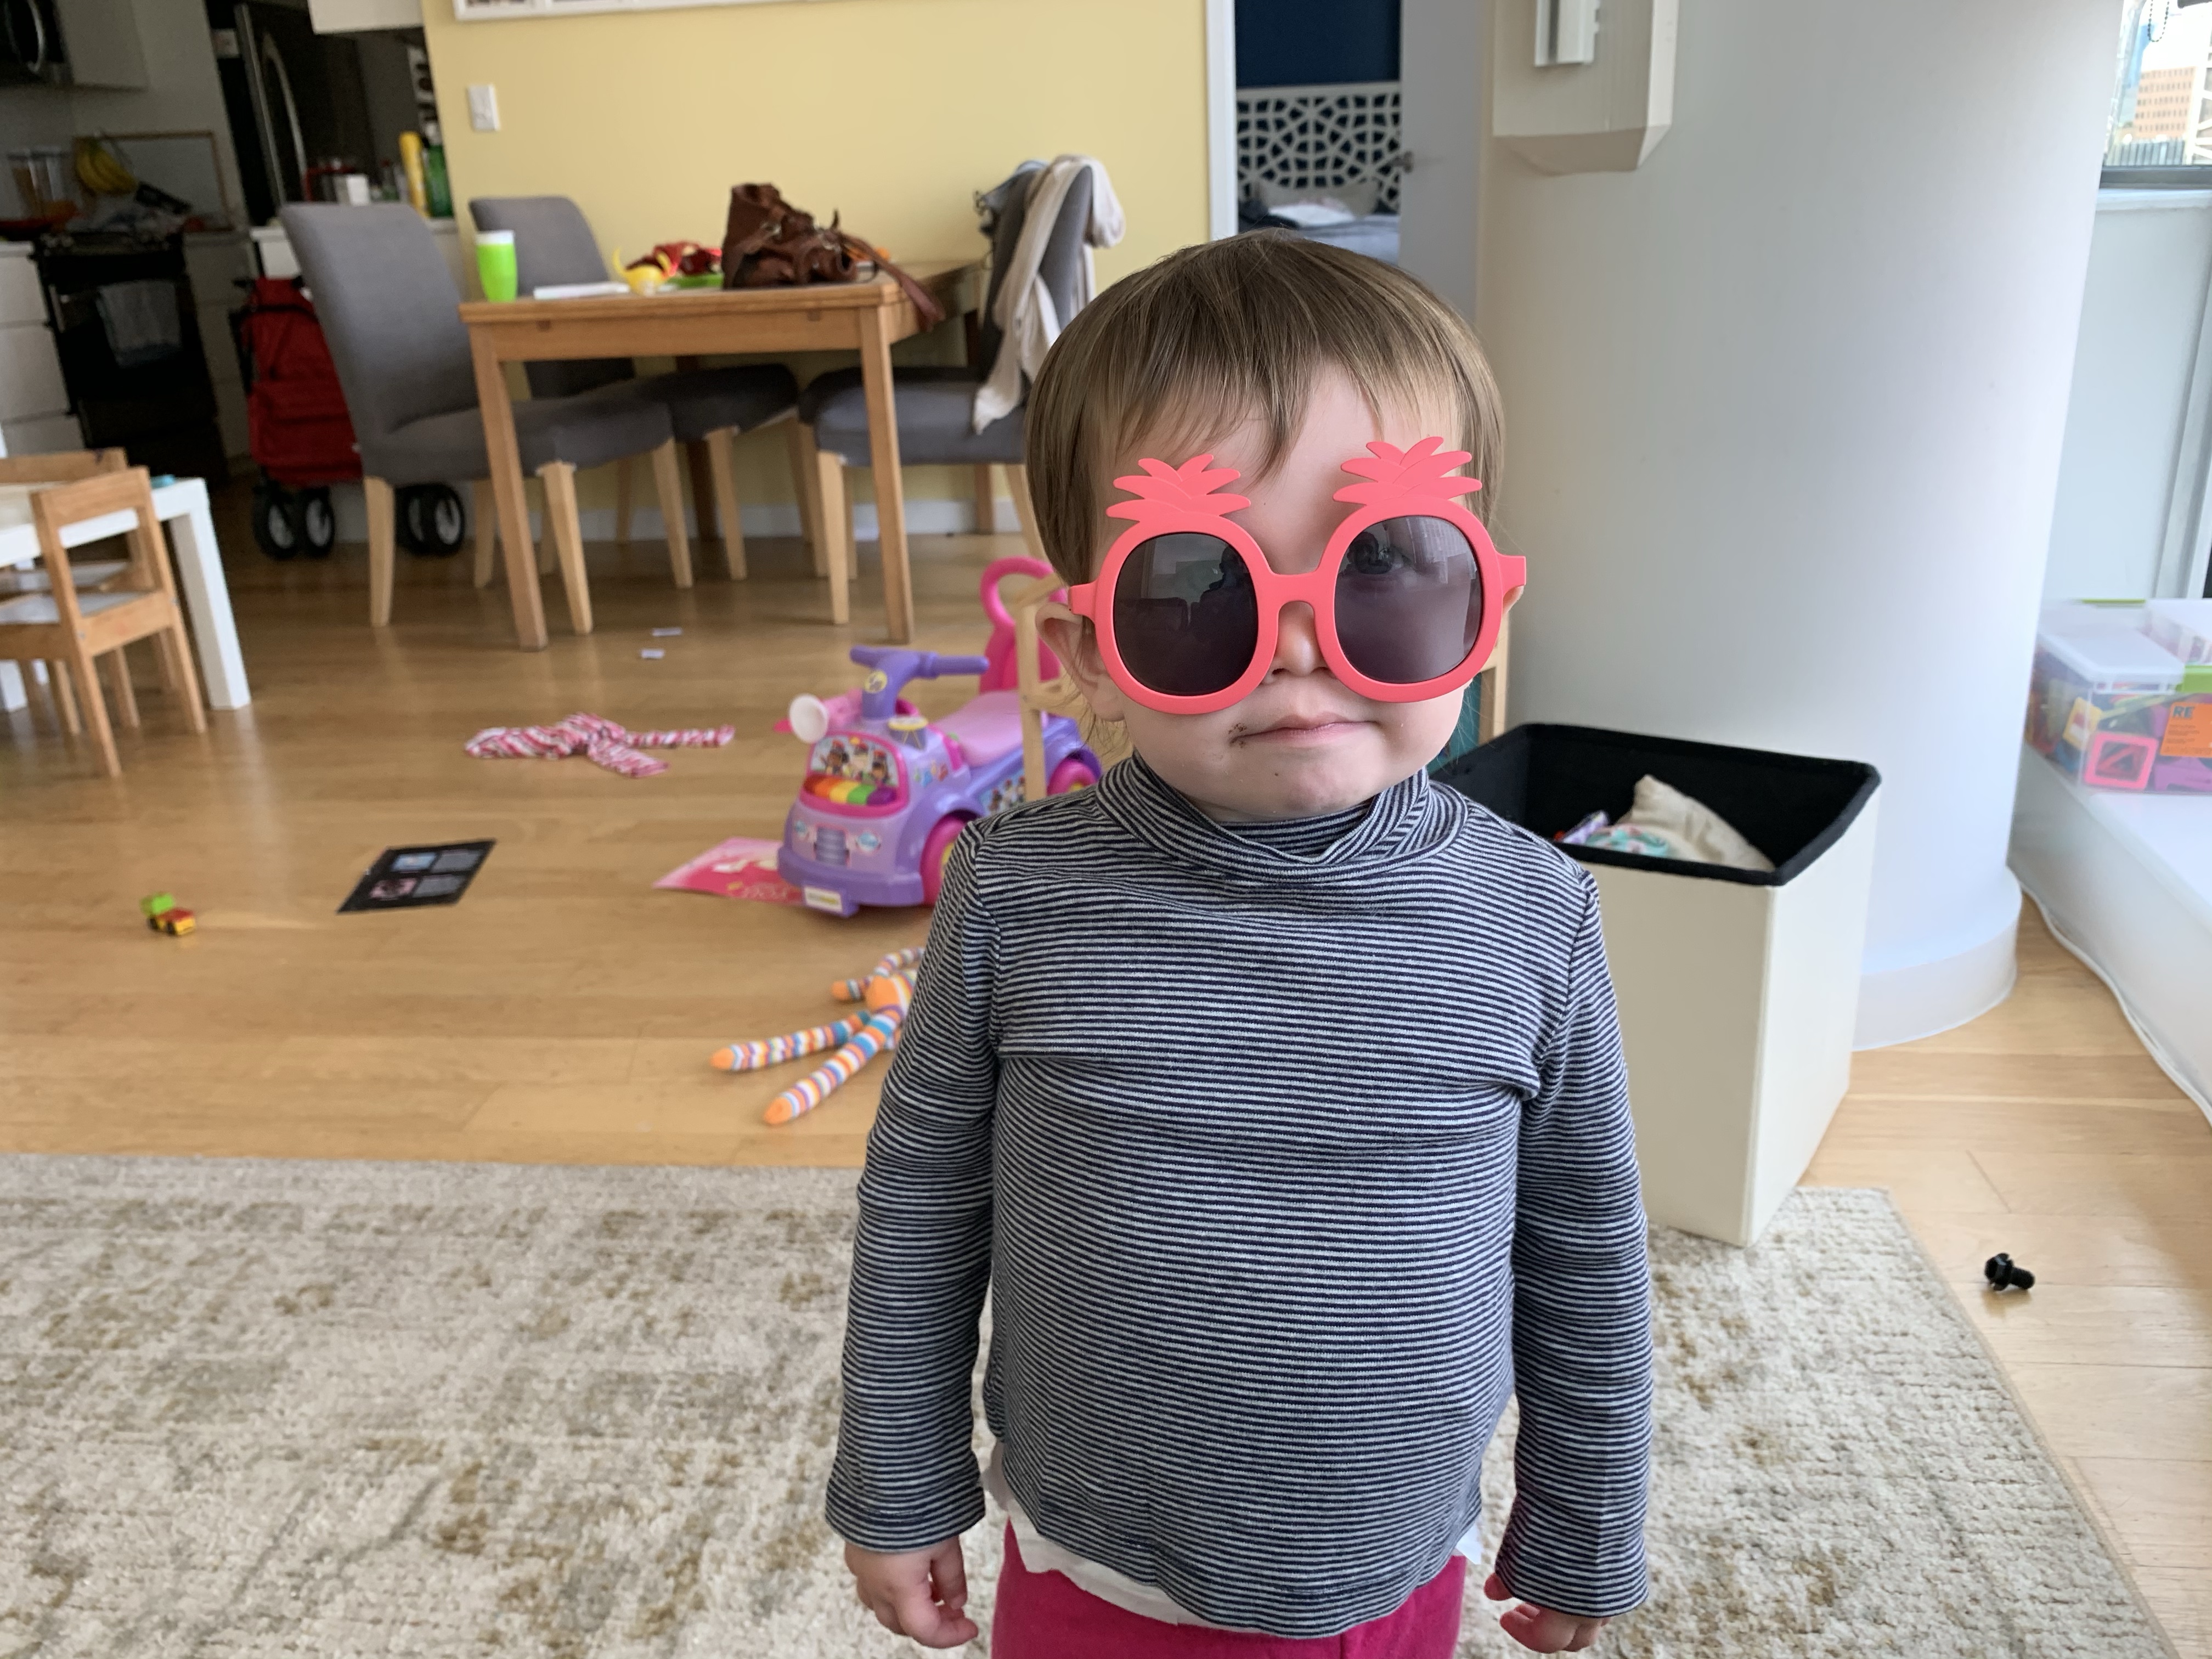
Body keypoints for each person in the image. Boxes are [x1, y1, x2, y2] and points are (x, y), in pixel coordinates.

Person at [827, 232, 1652, 1657]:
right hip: (1097, 1568)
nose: (1297, 647)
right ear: (1089, 650)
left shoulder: (1533, 911)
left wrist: (1585, 1508)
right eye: (1198, 588)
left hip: (1398, 1565)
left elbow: (1582, 1238)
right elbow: (923, 1203)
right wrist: (899, 1476)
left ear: (1484, 607)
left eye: (1386, 568)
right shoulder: (1017, 894)